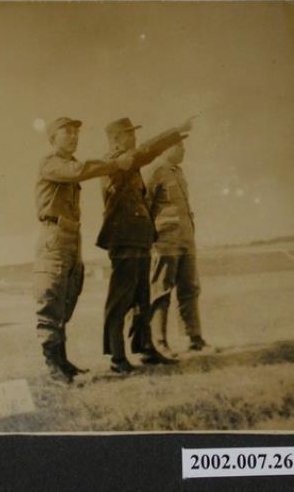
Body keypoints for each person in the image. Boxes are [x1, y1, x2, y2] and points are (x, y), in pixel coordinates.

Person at [34, 116, 133, 384]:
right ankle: (53, 366)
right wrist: (114, 163)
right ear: (53, 138)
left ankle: (62, 362)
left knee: (66, 298)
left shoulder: (68, 165)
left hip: (70, 236)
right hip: (54, 236)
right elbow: (79, 170)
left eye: (76, 133)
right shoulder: (50, 163)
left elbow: (79, 169)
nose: (74, 136)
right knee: (51, 298)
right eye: (67, 132)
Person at [96, 116, 194, 374]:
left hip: (138, 238)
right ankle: (117, 357)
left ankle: (146, 349)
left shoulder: (129, 163)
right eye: (129, 133)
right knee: (121, 298)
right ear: (116, 139)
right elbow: (146, 151)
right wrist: (175, 131)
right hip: (124, 239)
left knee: (142, 297)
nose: (134, 137)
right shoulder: (114, 161)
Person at [146, 142, 206, 359]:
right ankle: (160, 342)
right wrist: (153, 239)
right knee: (161, 291)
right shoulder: (155, 171)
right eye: (178, 146)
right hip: (165, 242)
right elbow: (145, 206)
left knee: (190, 289)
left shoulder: (177, 172)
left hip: (185, 240)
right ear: (166, 148)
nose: (183, 150)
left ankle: (195, 339)